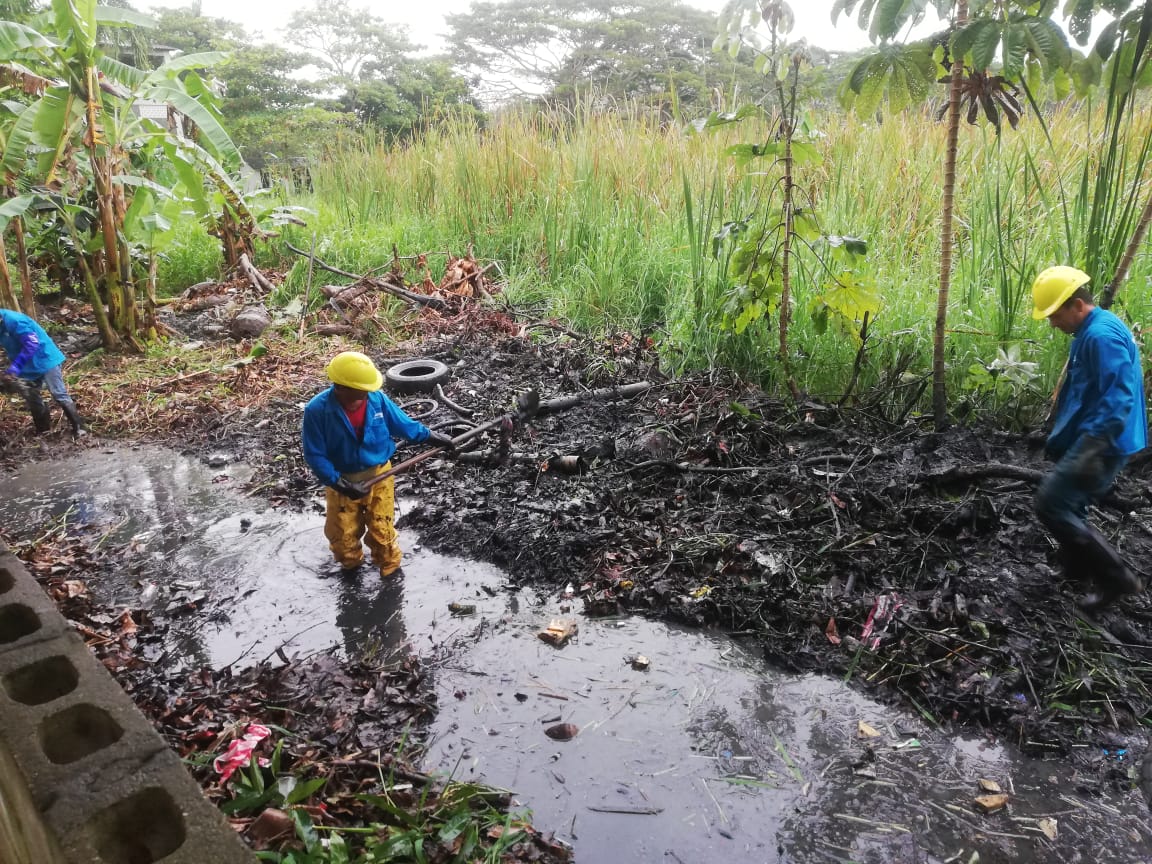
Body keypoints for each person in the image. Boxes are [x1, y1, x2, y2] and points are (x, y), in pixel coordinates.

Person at [1030, 266, 1147, 610]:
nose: (1052, 324)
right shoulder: (1091, 331)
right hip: (1095, 435)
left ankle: (1116, 578)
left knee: (1051, 504)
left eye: (1055, 315)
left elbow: (1120, 396)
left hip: (1104, 441)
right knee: (1072, 505)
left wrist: (1092, 447)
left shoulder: (1101, 337)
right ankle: (1075, 570)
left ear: (1077, 305)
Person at [302, 351, 454, 577]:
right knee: (342, 534)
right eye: (361, 388)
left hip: (380, 476)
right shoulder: (317, 410)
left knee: (381, 530)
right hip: (342, 480)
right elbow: (315, 455)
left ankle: (390, 571)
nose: (367, 391)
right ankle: (351, 569)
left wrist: (432, 436)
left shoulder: (377, 400)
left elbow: (403, 426)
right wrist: (340, 483)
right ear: (341, 387)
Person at [0, 308, 85, 437]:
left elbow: (31, 343)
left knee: (58, 393)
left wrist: (15, 368)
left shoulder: (15, 321)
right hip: (25, 363)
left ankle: (79, 428)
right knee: (32, 398)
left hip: (45, 358)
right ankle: (43, 430)